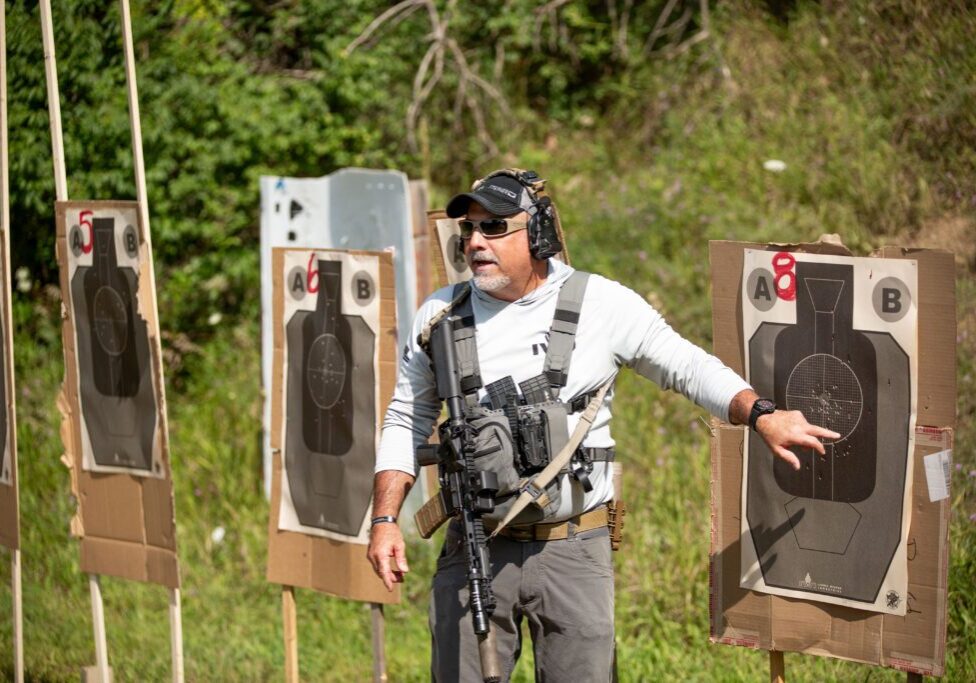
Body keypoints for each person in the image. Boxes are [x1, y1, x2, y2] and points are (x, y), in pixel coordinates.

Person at [366, 169, 837, 681]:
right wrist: (385, 519)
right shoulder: (440, 314)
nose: (477, 242)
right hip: (473, 542)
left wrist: (761, 415)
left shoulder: (602, 304)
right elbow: (406, 416)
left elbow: (687, 366)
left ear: (539, 234)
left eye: (495, 227)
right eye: (469, 231)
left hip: (573, 547)